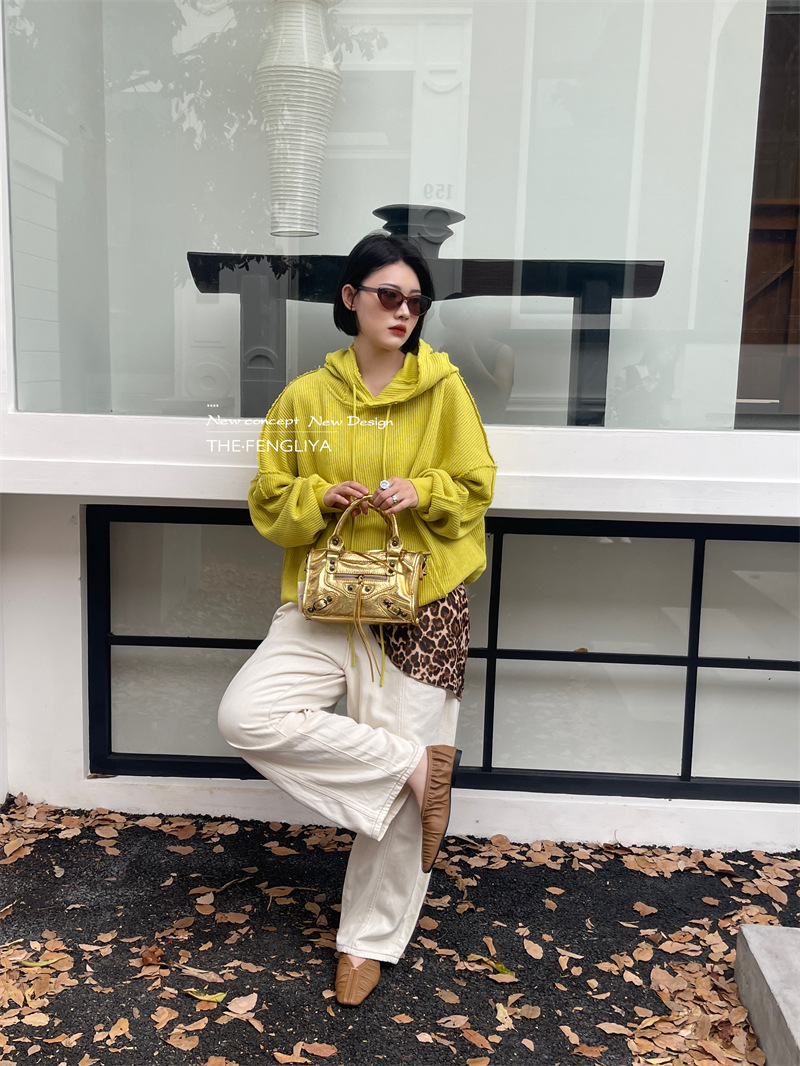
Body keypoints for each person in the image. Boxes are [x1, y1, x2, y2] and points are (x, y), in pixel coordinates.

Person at [217, 231, 496, 1007]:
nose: (403, 311)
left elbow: (477, 484)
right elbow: (268, 498)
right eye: (388, 296)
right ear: (351, 298)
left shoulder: (445, 391)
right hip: (325, 600)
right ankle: (414, 767)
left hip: (419, 604)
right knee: (247, 715)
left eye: (416, 301)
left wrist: (424, 490)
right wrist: (319, 497)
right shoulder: (304, 398)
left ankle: (366, 942)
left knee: (411, 783)